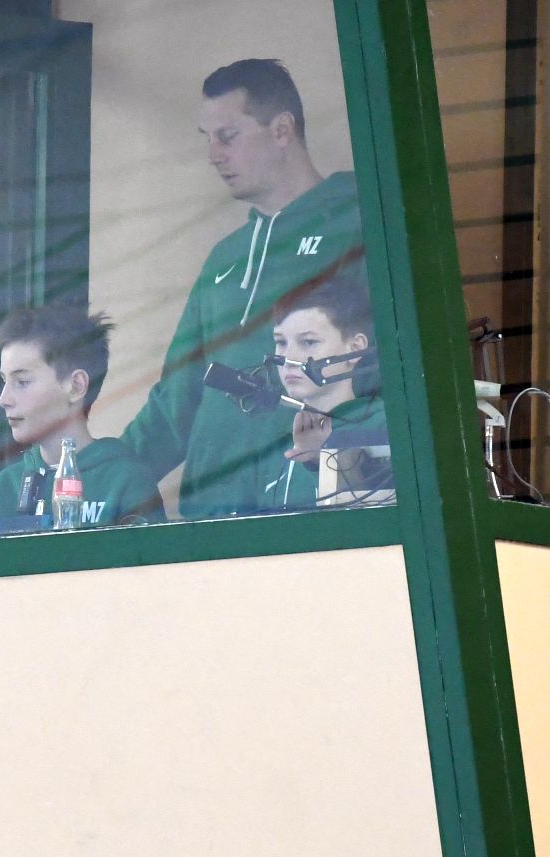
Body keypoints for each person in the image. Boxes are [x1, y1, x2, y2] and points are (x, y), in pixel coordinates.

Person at [120, 58, 366, 519]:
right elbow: (177, 399)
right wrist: (99, 477)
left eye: (227, 136)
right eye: (208, 138)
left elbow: (386, 369)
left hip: (315, 508)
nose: (213, 154)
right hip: (212, 517)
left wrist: (351, 455)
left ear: (281, 130)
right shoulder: (224, 258)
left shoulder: (357, 224)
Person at [0, 306, 164, 528]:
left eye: (22, 382)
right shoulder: (4, 488)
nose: (3, 399)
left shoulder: (125, 480)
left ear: (76, 386)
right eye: (4, 381)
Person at [262, 275, 388, 509]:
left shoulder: (385, 425)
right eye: (281, 342)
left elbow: (380, 518)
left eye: (308, 342)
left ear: (355, 348)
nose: (288, 358)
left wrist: (321, 459)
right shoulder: (277, 444)